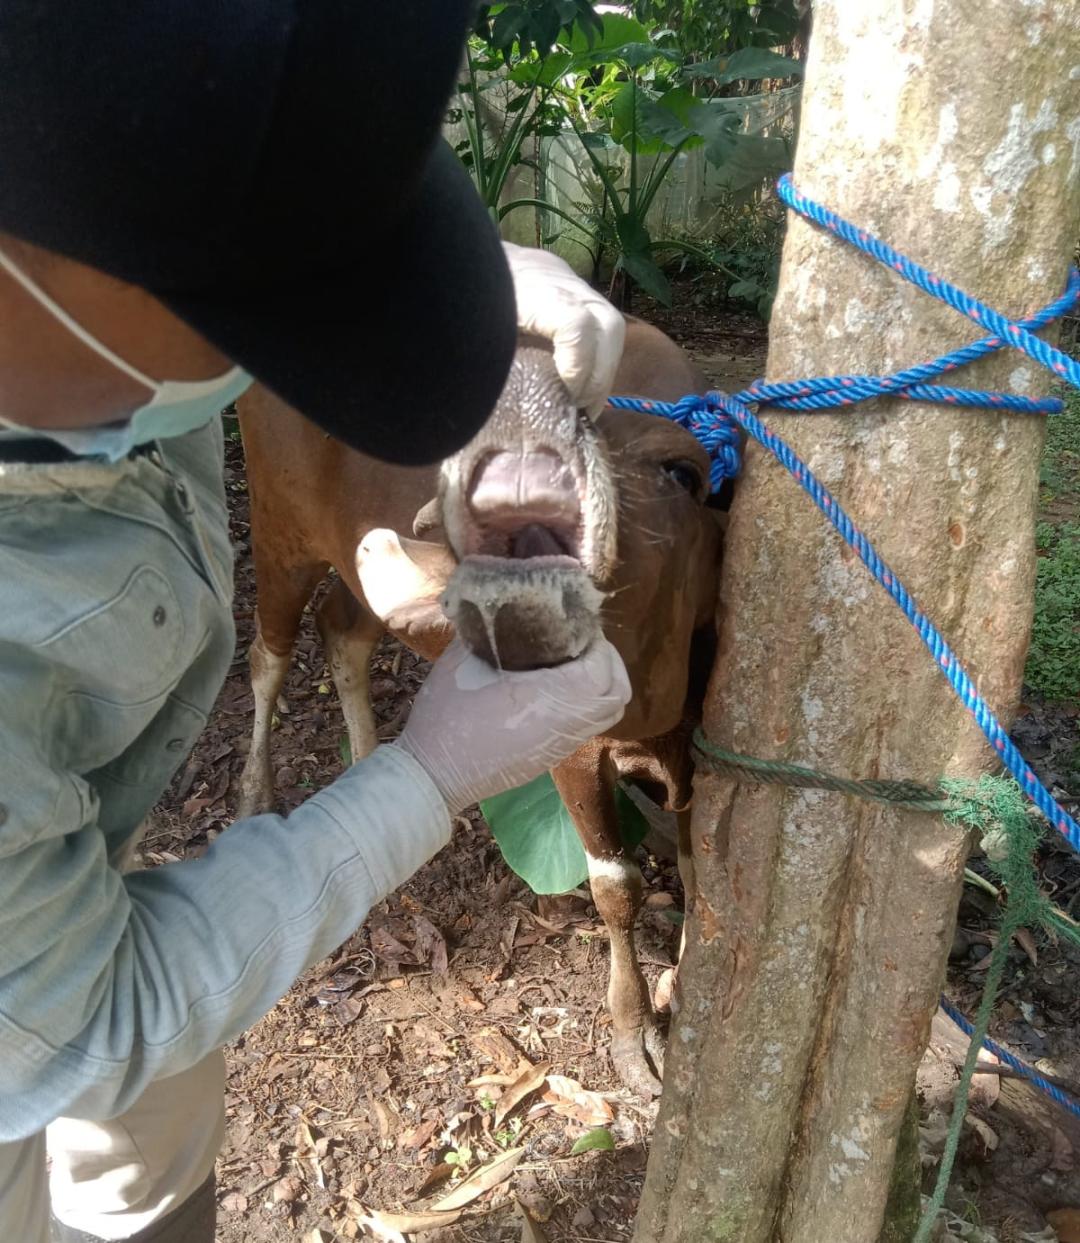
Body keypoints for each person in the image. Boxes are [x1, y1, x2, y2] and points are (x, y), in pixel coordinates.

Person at [0, 5, 631, 1241]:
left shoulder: (80, 274)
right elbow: (81, 1027)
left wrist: (423, 269)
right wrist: (427, 772)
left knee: (157, 1115)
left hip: (64, 868)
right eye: (257, 311)